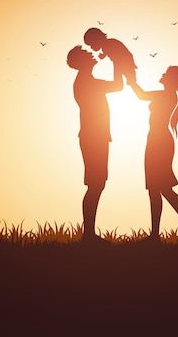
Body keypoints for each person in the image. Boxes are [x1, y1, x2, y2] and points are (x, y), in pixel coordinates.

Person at [128, 66, 178, 243]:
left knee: (162, 189)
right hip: (157, 141)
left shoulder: (166, 95)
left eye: (167, 74)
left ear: (173, 80)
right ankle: (160, 234)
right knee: (158, 190)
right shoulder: (169, 95)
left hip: (158, 143)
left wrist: (131, 81)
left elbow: (142, 95)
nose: (162, 74)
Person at [67, 45, 123, 243]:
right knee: (95, 184)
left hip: (95, 137)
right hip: (94, 138)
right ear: (80, 62)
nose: (91, 54)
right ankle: (88, 235)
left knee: (96, 184)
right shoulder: (86, 82)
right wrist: (118, 60)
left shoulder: (86, 80)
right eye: (86, 54)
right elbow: (118, 86)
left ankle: (89, 234)